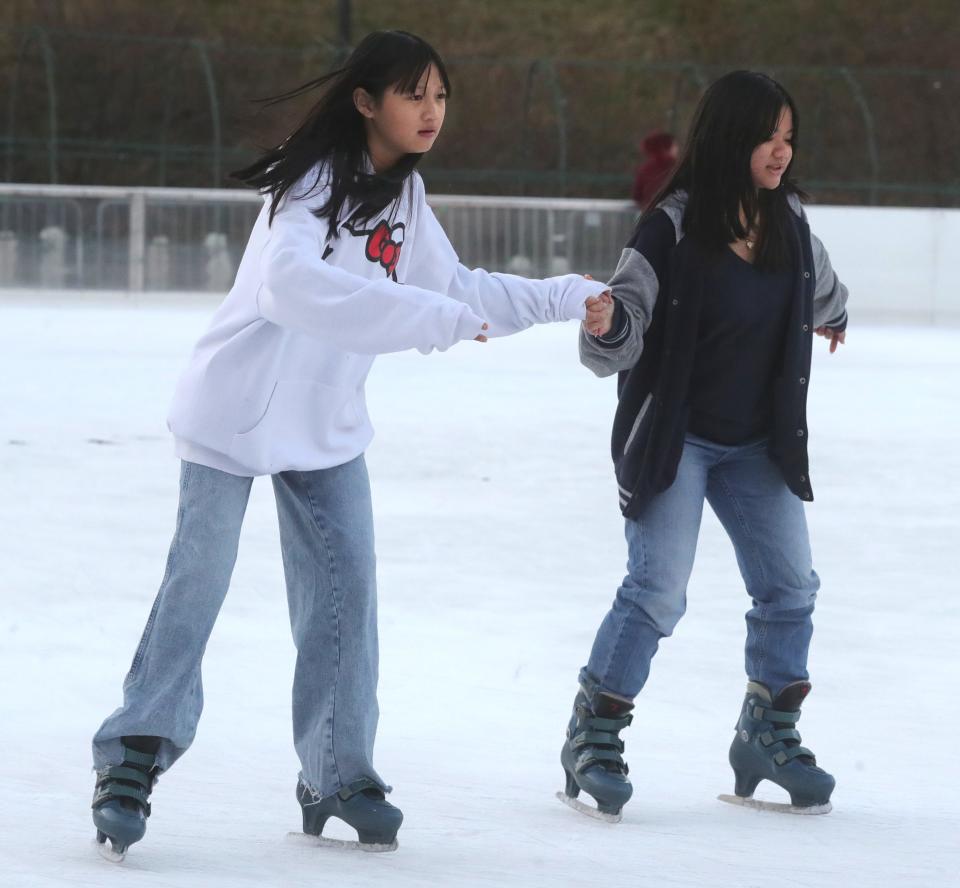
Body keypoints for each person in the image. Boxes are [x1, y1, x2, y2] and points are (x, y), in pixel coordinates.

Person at [89, 29, 612, 860]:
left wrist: (565, 295)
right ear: (367, 101)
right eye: (415, 95)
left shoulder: (405, 198)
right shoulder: (311, 183)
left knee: (346, 595)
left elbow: (461, 290)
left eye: (441, 95)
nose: (432, 111)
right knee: (198, 585)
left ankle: (336, 773)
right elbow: (290, 287)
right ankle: (132, 757)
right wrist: (435, 322)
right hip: (236, 415)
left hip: (325, 427)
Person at [558, 70, 848, 823]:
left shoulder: (789, 226)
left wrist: (834, 315)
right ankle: (593, 734)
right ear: (731, 136)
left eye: (789, 137)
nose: (782, 152)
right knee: (658, 591)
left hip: (757, 444)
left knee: (791, 588)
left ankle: (767, 735)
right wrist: (606, 326)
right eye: (768, 136)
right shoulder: (672, 227)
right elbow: (620, 324)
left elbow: (821, 287)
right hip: (677, 439)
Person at [631, 131, 678, 209]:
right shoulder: (678, 167)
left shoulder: (644, 169)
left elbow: (637, 196)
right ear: (668, 146)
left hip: (650, 214)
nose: (677, 149)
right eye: (675, 145)